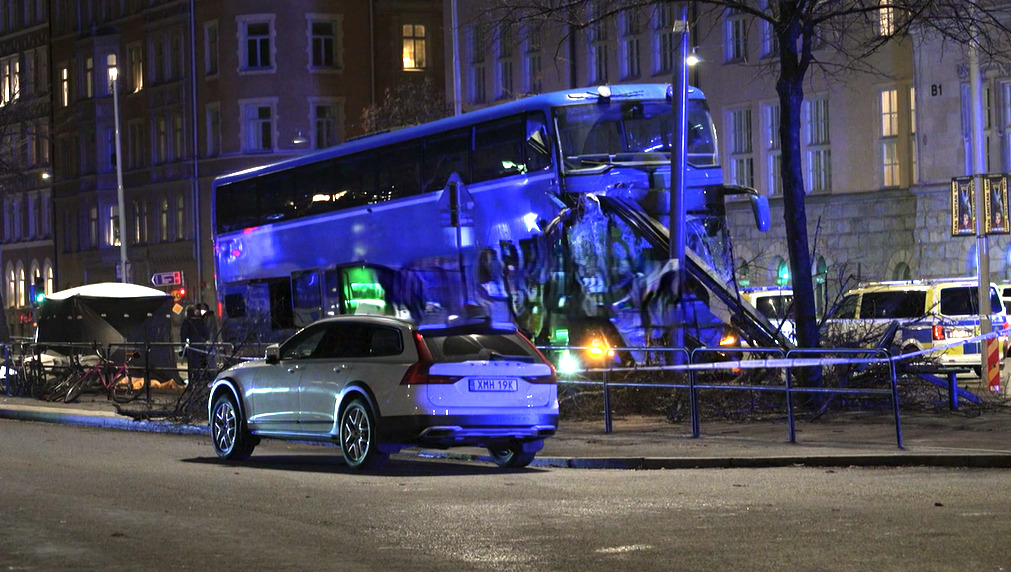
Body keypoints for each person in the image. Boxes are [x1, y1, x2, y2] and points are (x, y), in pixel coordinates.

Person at [180, 305, 210, 386]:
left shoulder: (186, 322)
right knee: (200, 364)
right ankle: (200, 383)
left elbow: (183, 335)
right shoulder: (200, 321)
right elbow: (207, 334)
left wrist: (183, 347)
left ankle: (191, 383)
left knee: (191, 366)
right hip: (200, 346)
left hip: (191, 347)